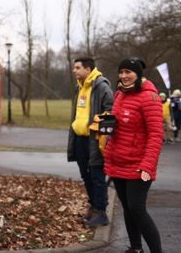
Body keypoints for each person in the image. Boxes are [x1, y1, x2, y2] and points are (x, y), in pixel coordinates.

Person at [104, 57, 163, 253]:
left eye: (128, 72)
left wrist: (147, 166)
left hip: (139, 164)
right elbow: (119, 125)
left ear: (138, 74)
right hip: (118, 161)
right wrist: (105, 124)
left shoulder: (150, 98)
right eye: (121, 72)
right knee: (128, 209)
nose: (123, 76)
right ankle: (136, 248)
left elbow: (156, 135)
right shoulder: (120, 94)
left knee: (137, 209)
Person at [66, 56, 113, 226]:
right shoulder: (79, 87)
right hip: (79, 139)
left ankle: (101, 212)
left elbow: (110, 110)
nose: (74, 71)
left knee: (97, 175)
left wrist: (98, 128)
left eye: (77, 68)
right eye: (74, 68)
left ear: (88, 69)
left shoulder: (101, 86)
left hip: (94, 140)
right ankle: (94, 208)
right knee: (85, 175)